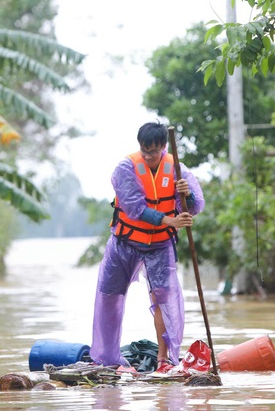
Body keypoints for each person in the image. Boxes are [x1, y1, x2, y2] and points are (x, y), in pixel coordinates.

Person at [89, 122, 205, 373]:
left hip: (160, 245)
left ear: (164, 147)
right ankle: (108, 359)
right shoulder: (125, 169)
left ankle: (164, 359)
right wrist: (169, 220)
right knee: (110, 295)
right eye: (144, 151)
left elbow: (194, 207)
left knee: (163, 299)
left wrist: (187, 195)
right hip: (124, 242)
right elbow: (134, 208)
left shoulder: (177, 170)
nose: (149, 156)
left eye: (153, 151)